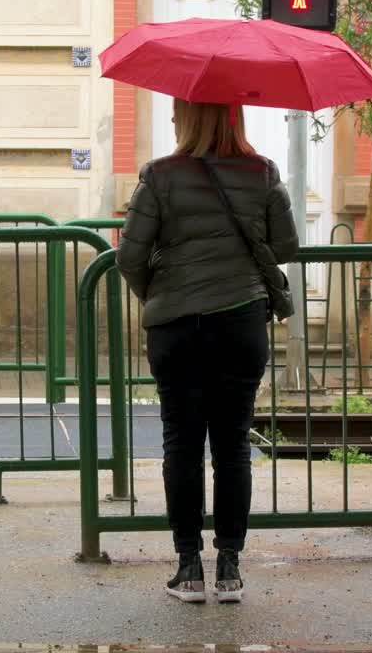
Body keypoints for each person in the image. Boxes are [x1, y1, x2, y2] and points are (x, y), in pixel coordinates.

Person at [116, 98, 299, 604]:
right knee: (233, 445)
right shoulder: (261, 172)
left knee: (181, 443)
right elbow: (286, 247)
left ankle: (189, 567)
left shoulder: (159, 175)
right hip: (241, 321)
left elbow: (128, 256)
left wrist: (158, 291)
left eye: (178, 113)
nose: (173, 120)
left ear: (189, 118)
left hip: (176, 328)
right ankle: (231, 569)